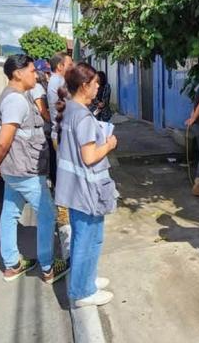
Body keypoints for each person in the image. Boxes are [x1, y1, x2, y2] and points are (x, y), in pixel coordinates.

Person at [0, 54, 69, 284]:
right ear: (18, 73)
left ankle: (12, 264)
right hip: (25, 170)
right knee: (46, 213)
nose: (36, 74)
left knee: (10, 212)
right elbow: (4, 141)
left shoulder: (14, 96)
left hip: (14, 169)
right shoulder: (15, 100)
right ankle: (48, 267)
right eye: (32, 71)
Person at [54, 65, 118, 307]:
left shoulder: (72, 109)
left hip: (76, 188)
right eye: (95, 83)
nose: (99, 86)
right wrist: (110, 144)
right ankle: (82, 292)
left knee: (90, 237)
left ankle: (87, 279)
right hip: (86, 190)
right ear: (84, 85)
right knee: (87, 240)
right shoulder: (81, 115)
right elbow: (90, 156)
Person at [47, 52, 74, 147]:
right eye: (70, 64)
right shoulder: (59, 81)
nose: (73, 67)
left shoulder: (55, 80)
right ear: (60, 66)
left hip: (60, 132)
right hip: (62, 134)